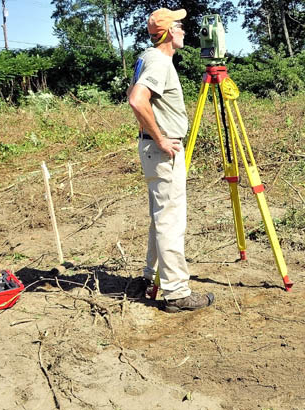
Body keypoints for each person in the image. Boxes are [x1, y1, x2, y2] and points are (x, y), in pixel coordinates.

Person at [127, 8, 214, 313]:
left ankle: (150, 279)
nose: (185, 31)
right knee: (170, 220)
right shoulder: (160, 62)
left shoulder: (147, 57)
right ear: (167, 33)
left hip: (153, 149)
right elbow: (136, 98)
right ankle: (176, 292)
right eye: (179, 26)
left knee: (160, 217)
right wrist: (162, 137)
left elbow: (133, 90)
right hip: (162, 152)